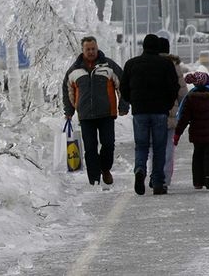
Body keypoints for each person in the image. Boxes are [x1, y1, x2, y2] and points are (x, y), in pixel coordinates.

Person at [62, 36, 129, 186]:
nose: (91, 52)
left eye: (93, 49)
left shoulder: (109, 66)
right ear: (83, 50)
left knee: (108, 144)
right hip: (86, 116)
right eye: (88, 49)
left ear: (97, 48)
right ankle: (94, 180)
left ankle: (105, 169)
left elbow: (122, 84)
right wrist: (70, 110)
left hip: (106, 113)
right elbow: (67, 91)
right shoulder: (74, 70)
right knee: (90, 149)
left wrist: (123, 105)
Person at [120, 34, 179, 195]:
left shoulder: (131, 64)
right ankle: (158, 182)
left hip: (140, 111)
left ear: (143, 46)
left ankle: (140, 169)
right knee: (159, 147)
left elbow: (123, 88)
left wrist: (133, 101)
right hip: (160, 111)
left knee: (141, 146)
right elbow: (174, 87)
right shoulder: (166, 64)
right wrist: (167, 105)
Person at [152, 37, 188, 188]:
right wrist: (184, 108)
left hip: (152, 111)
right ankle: (165, 179)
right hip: (171, 112)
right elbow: (182, 92)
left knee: (152, 146)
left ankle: (154, 176)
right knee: (168, 147)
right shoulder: (174, 66)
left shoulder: (150, 64)